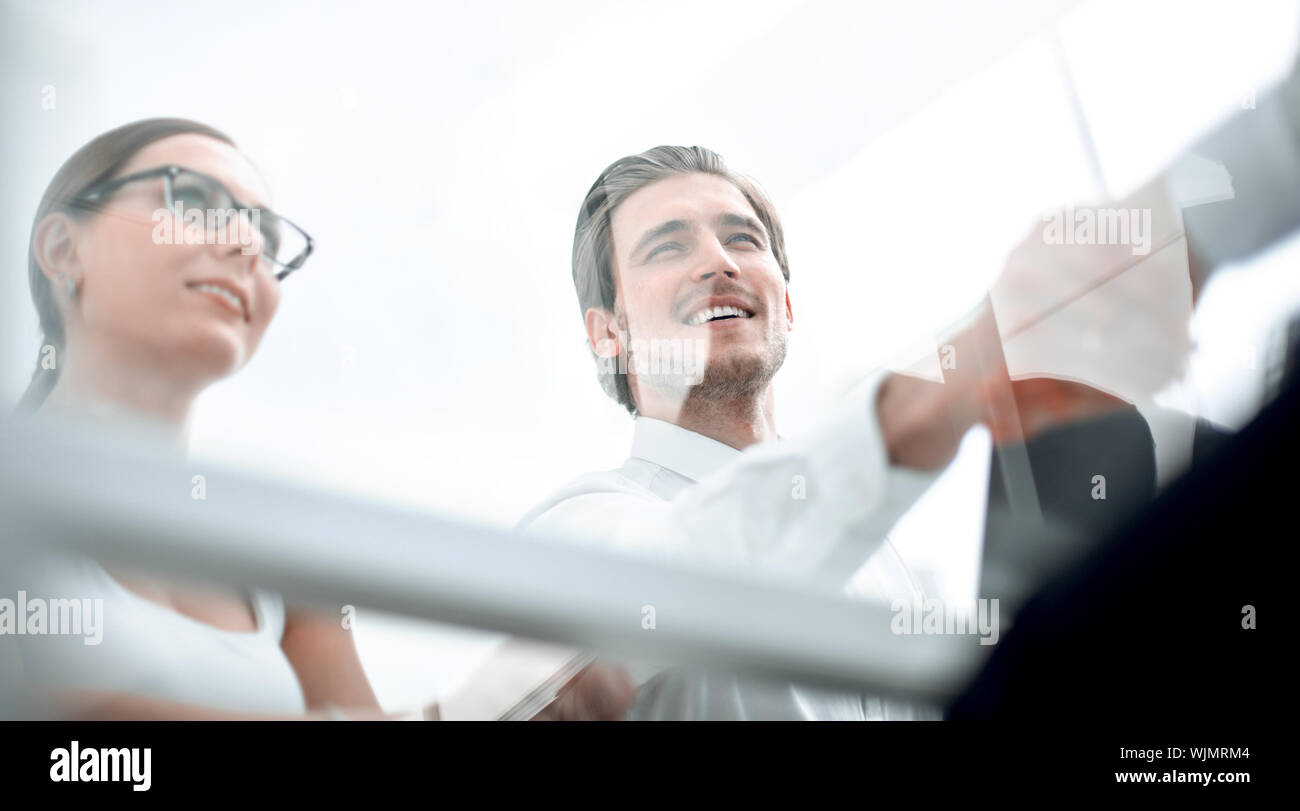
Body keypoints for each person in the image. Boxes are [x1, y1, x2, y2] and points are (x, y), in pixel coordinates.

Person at [9, 118, 633, 721]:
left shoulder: (273, 552)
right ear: (63, 248)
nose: (245, 245)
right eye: (194, 200)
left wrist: (520, 708)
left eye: (266, 237)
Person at [518, 145, 1137, 720]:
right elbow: (698, 572)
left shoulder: (887, 561)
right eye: (666, 247)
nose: (720, 262)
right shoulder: (579, 530)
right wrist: (950, 386)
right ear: (608, 334)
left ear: (786, 304)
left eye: (742, 238)